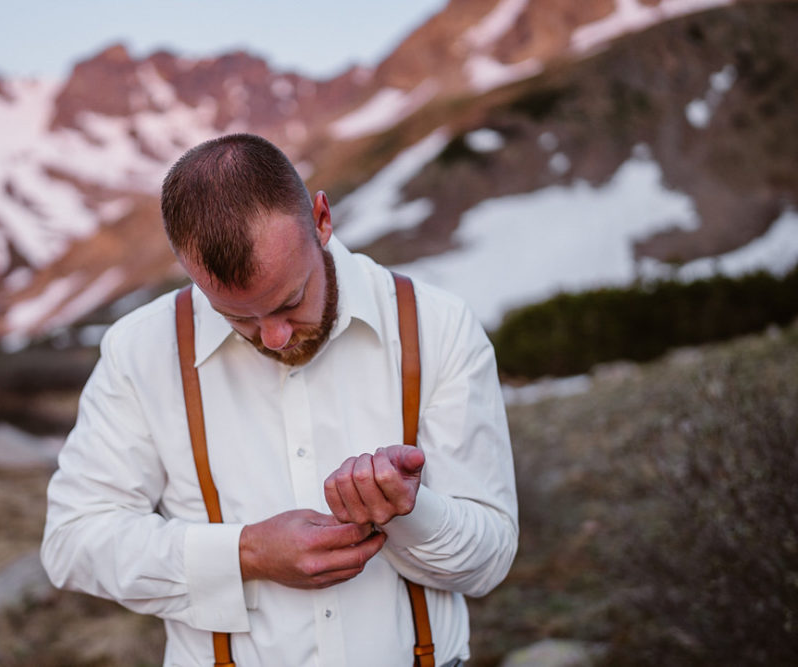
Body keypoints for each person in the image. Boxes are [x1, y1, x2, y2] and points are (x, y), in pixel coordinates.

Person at [41, 133, 518, 666]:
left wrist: (410, 509)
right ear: (187, 267)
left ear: (321, 220)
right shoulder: (139, 350)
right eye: (237, 317)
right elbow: (72, 542)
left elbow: (489, 562)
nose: (274, 337)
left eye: (291, 301)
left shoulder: (438, 327)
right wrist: (245, 554)